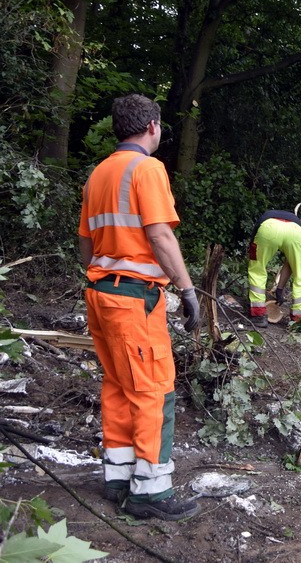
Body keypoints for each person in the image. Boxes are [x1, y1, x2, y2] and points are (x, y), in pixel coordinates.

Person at [78, 94, 201, 521]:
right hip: (134, 299)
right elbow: (161, 236)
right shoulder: (147, 169)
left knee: (116, 383)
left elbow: (85, 243)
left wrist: (101, 275)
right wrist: (186, 290)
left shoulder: (99, 174)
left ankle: (118, 478)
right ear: (152, 126)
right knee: (154, 389)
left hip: (100, 293)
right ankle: (150, 494)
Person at [247, 207, 301, 326]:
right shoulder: (299, 224)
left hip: (268, 227)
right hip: (295, 232)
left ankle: (258, 315)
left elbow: (253, 252)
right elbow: (290, 264)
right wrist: (279, 289)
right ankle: (299, 321)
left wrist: (279, 288)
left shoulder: (266, 216)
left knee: (257, 269)